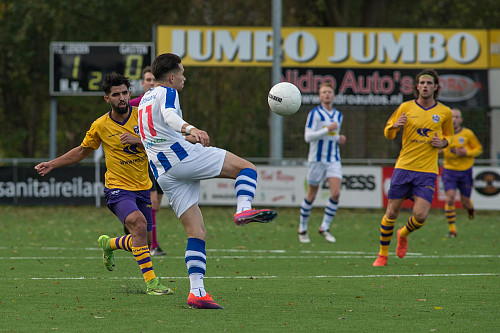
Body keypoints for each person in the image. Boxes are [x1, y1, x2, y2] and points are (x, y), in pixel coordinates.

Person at [138, 53, 278, 309]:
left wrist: (183, 138)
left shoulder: (145, 99)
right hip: (182, 160)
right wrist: (191, 129)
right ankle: (244, 209)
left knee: (196, 231)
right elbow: (170, 117)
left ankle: (197, 292)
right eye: (181, 72)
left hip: (164, 173)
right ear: (171, 77)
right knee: (247, 169)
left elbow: (157, 135)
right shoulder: (168, 92)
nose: (184, 77)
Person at [35, 73, 172, 295]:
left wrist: (139, 140)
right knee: (137, 224)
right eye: (115, 94)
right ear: (107, 98)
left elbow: (162, 145)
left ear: (130, 94)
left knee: (143, 241)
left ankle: (110, 244)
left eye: (125, 93)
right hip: (117, 188)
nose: (122, 98)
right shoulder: (100, 125)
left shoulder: (143, 117)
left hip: (142, 187)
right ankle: (152, 284)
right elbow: (82, 150)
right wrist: (53, 164)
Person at [372, 69, 454, 267]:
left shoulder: (444, 112)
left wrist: (442, 143)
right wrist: (394, 126)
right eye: (422, 83)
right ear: (417, 87)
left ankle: (403, 233)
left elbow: (449, 136)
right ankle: (383, 254)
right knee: (391, 212)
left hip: (427, 171)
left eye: (429, 83)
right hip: (404, 167)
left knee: (420, 216)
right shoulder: (405, 107)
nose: (425, 86)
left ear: (436, 87)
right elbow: (388, 133)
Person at [297, 82, 346, 244]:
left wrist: (339, 138)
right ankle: (302, 228)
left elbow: (333, 135)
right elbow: (308, 137)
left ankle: (324, 227)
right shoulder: (315, 114)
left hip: (333, 159)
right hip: (316, 160)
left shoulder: (339, 115)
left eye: (329, 92)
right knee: (311, 194)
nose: (327, 95)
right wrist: (327, 129)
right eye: (324, 92)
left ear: (333, 95)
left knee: (336, 193)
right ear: (319, 96)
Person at [129, 66, 166, 256]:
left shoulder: (163, 101)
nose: (151, 83)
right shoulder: (133, 104)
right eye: (148, 80)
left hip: (161, 158)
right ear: (143, 83)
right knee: (151, 202)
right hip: (144, 161)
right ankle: (153, 246)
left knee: (156, 206)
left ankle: (134, 232)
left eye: (154, 80)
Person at [441, 108, 483, 238]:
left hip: (465, 171)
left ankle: (470, 209)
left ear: (461, 120)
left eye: (456, 117)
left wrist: (467, 152)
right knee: (450, 198)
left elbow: (478, 149)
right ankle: (452, 230)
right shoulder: (444, 134)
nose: (454, 119)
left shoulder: (468, 134)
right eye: (451, 117)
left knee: (465, 202)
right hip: (449, 170)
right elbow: (439, 147)